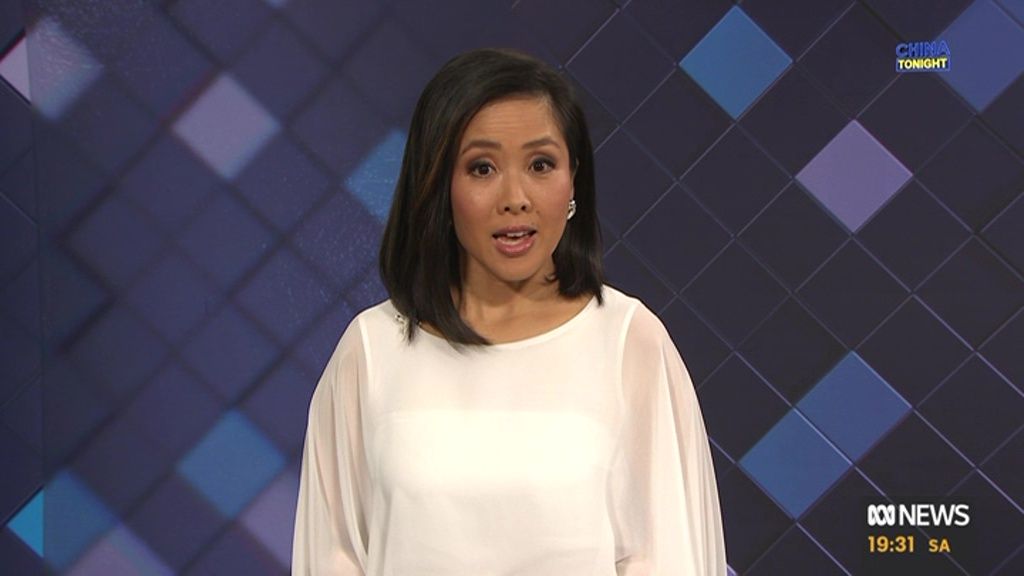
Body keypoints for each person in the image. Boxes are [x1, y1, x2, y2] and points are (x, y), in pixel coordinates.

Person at [292, 48, 726, 575]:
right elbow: (334, 554)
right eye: (482, 168)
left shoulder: (629, 341)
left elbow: (666, 556)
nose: (516, 197)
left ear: (573, 180)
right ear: (439, 185)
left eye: (541, 165)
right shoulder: (372, 348)